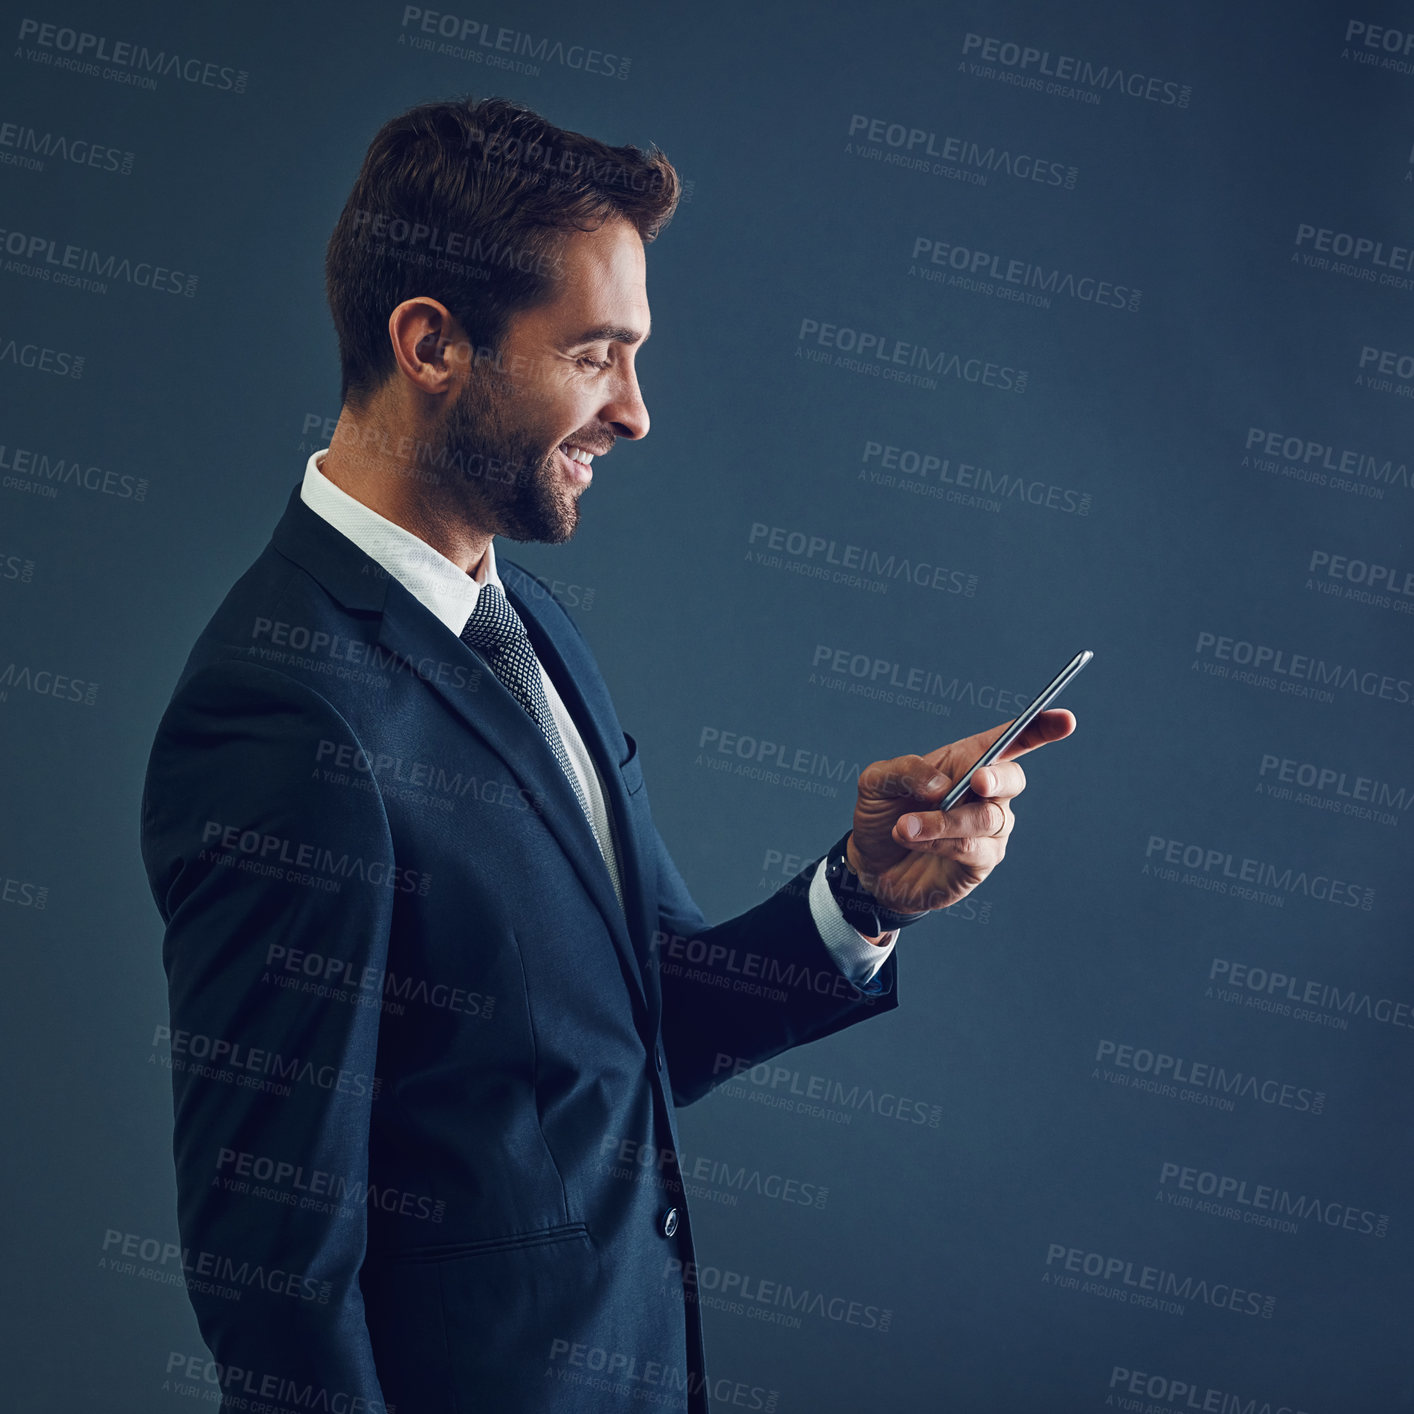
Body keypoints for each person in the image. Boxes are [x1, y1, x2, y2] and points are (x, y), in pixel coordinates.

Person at [139, 95, 1074, 1414]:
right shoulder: (279, 711)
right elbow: (271, 1266)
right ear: (431, 344)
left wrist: (861, 891)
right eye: (594, 355)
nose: (635, 413)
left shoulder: (538, 636)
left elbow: (636, 1025)